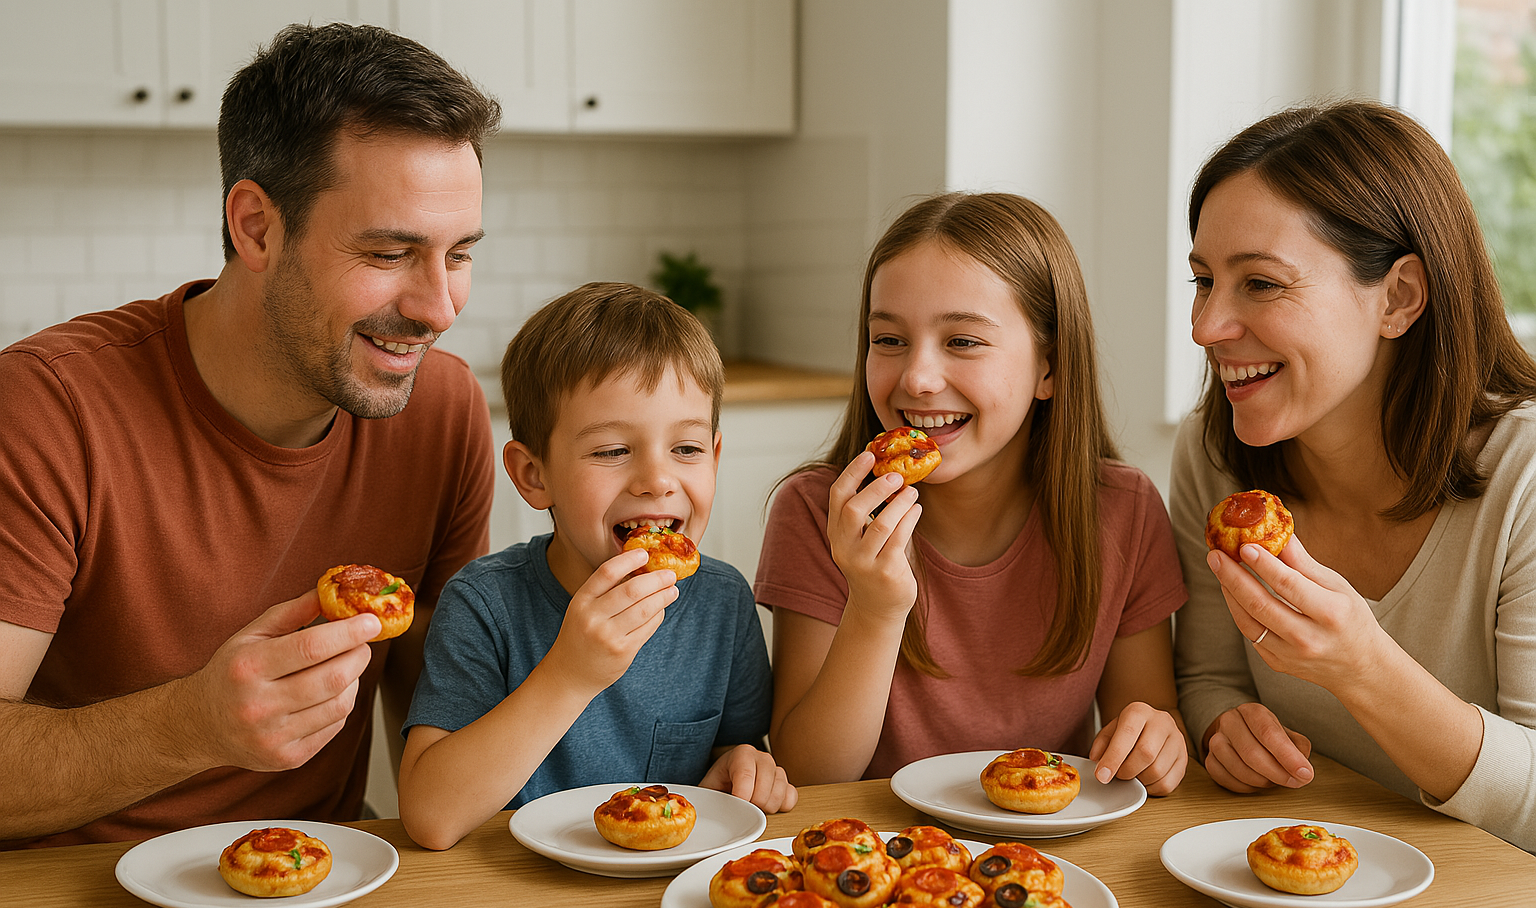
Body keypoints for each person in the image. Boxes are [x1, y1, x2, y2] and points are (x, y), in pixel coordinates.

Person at [0, 23, 502, 848]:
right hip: (74, 905)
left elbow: (441, 737)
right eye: (388, 251)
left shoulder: (440, 412)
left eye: (460, 255)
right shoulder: (48, 410)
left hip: (325, 880)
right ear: (257, 227)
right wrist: (188, 726)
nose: (438, 309)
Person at [1172, 100, 1536, 853]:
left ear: (1398, 297)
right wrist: (1223, 727)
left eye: (1261, 284)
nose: (1208, 327)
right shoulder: (1215, 455)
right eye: (1204, 281)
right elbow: (1208, 675)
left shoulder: (1524, 476)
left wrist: (1362, 667)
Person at [755, 192, 1190, 793]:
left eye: (962, 341)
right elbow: (809, 774)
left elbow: (1145, 733)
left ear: (1050, 367)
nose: (917, 378)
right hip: (876, 856)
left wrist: (1156, 741)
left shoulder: (1123, 510)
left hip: (1044, 851)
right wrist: (876, 607)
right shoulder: (818, 511)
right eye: (888, 340)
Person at [396, 282, 796, 851]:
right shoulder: (484, 604)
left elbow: (732, 750)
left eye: (686, 449)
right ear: (535, 475)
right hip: (515, 897)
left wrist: (742, 765)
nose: (657, 480)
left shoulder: (722, 602)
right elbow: (431, 817)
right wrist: (571, 674)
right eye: (612, 451)